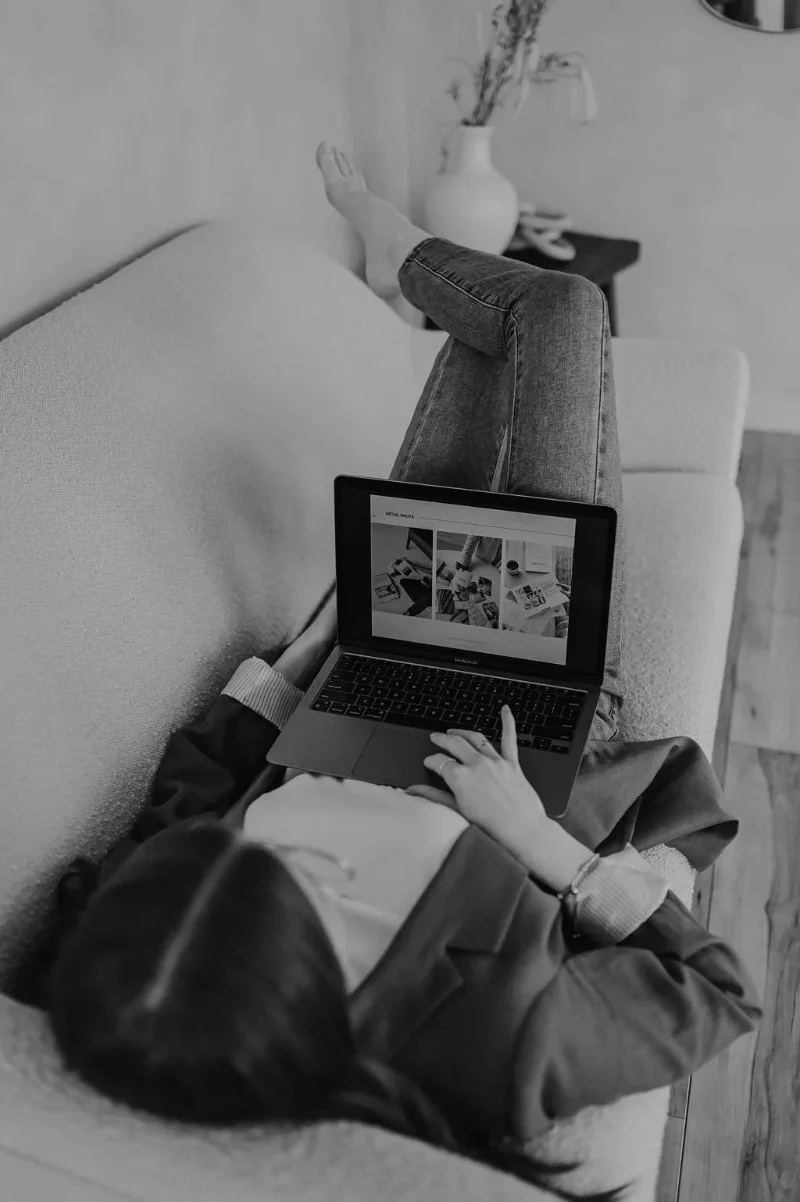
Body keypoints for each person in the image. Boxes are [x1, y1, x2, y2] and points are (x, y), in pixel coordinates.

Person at [36, 143, 762, 1202]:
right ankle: (405, 251)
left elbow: (185, 794)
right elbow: (716, 991)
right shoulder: (492, 1041)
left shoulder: (142, 951)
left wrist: (312, 677)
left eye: (262, 849)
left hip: (369, 652)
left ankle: (407, 257)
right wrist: (530, 836)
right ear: (293, 975)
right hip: (529, 708)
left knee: (490, 347)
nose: (311, 836)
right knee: (554, 313)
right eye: (303, 880)